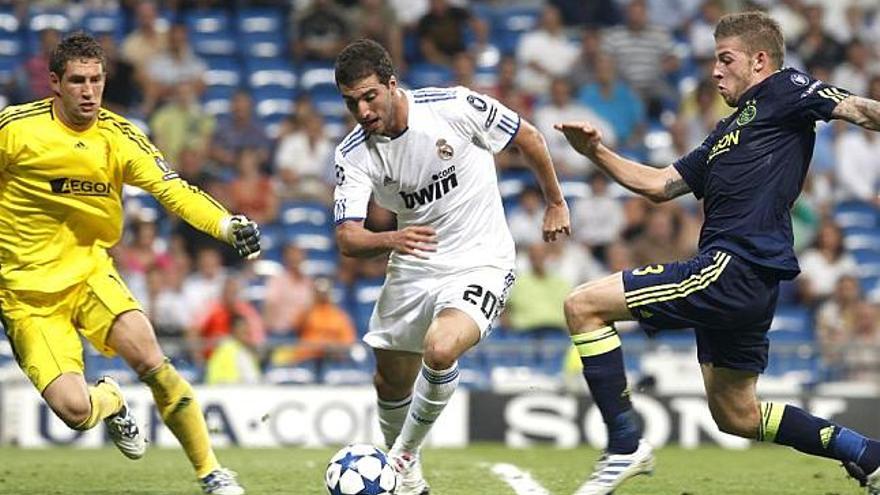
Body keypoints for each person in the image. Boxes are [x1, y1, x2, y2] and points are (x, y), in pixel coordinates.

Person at [554, 11, 880, 495]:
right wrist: (595, 153)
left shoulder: (787, 88)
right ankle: (866, 454)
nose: (715, 70)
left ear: (760, 61)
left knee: (582, 306)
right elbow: (660, 185)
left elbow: (859, 109)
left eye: (726, 59)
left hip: (734, 265)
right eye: (714, 60)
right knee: (737, 415)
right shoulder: (726, 133)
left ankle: (624, 446)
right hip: (747, 278)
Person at [0, 32, 260, 495]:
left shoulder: (119, 137)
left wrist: (225, 225)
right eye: (77, 80)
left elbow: (174, 191)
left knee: (152, 359)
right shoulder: (15, 130)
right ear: (55, 82)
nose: (88, 91)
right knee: (74, 411)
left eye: (96, 80)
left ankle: (212, 473)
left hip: (89, 273)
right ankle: (110, 400)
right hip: (27, 297)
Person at [332, 39, 570, 495]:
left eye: (368, 97)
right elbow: (348, 237)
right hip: (413, 264)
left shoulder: (455, 106)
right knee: (389, 381)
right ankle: (411, 479)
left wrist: (555, 202)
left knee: (440, 350)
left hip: (480, 259)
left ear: (392, 84)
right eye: (350, 103)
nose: (361, 111)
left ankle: (399, 459)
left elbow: (529, 138)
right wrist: (392, 239)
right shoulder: (353, 153)